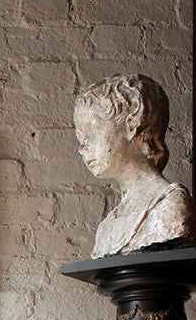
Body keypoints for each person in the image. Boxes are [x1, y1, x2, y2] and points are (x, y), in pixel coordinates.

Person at [73, 74, 196, 258]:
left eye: (91, 132)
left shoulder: (169, 208)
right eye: (80, 138)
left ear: (132, 125)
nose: (82, 148)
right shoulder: (106, 228)